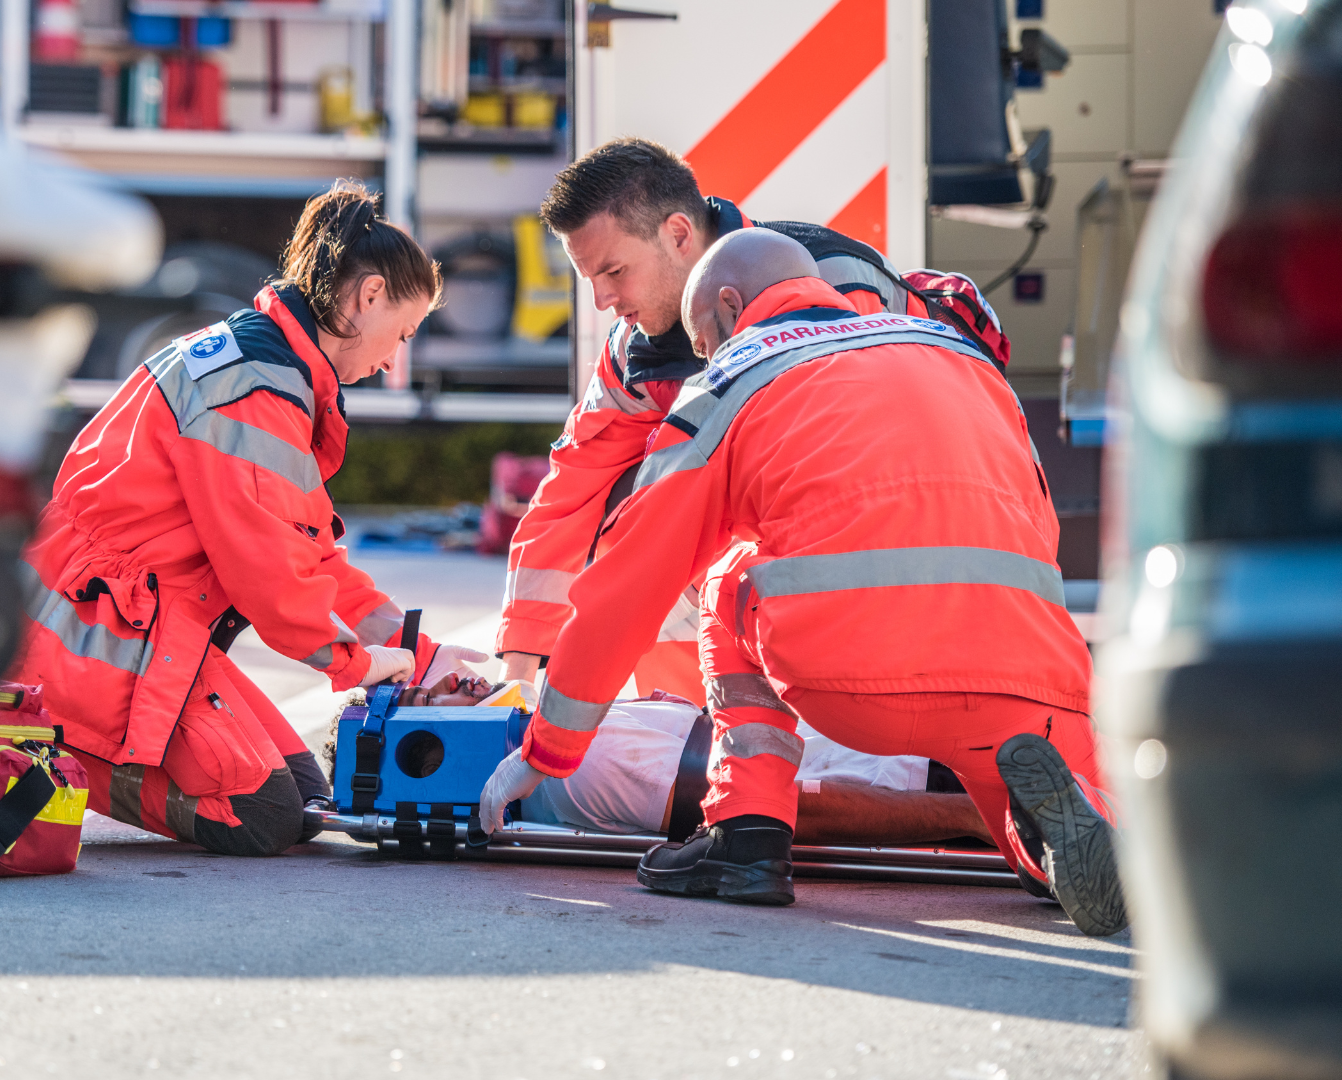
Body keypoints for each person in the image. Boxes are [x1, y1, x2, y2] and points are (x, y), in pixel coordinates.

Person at [478, 228, 1127, 937]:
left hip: (853, 683)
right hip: (1030, 676)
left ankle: (746, 836)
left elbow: (630, 579)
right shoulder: (958, 353)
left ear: (730, 308)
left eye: (704, 341)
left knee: (729, 577)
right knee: (1039, 820)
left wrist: (548, 749)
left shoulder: (735, 376)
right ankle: (1062, 849)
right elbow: (1036, 526)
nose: (706, 356)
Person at [10, 181, 484, 857]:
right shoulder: (256, 388)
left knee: (307, 803)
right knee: (264, 816)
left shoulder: (268, 368)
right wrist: (358, 664)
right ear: (370, 295)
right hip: (95, 636)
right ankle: (47, 740)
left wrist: (422, 656)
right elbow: (273, 578)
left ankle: (58, 726)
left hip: (130, 625)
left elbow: (309, 558)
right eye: (402, 334)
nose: (391, 360)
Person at [497, 138, 1006, 708]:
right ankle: (688, 726)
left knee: (684, 537)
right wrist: (518, 676)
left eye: (614, 271)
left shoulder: (834, 286)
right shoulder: (634, 349)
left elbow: (865, 475)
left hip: (912, 545)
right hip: (832, 543)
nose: (601, 300)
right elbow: (572, 492)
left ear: (679, 235)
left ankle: (832, 723)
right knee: (630, 525)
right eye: (590, 278)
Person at [391, 675, 991, 846]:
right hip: (913, 774)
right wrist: (969, 816)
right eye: (427, 699)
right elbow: (772, 808)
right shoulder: (572, 773)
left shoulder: (558, 736)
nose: (451, 679)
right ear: (427, 751)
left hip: (902, 743)